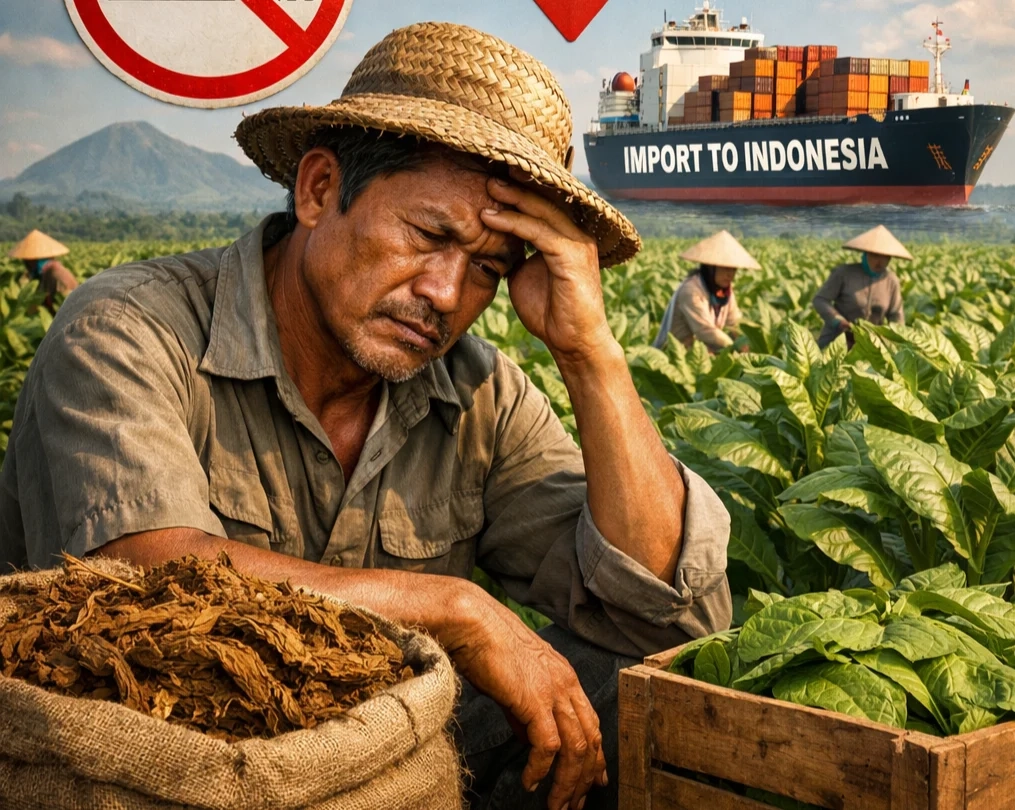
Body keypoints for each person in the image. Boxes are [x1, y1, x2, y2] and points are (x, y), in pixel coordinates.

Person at [0, 22, 732, 810]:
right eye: (427, 235)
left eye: (487, 268)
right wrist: (457, 610)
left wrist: (590, 353)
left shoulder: (479, 391)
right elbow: (145, 579)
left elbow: (662, 612)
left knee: (627, 688)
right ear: (318, 190)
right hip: (167, 768)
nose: (446, 295)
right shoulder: (130, 328)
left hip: (390, 760)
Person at [652, 230, 759, 353]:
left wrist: (746, 344)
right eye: (725, 268)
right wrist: (734, 347)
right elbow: (705, 331)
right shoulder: (691, 291)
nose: (730, 274)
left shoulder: (725, 292)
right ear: (711, 268)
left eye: (733, 269)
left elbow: (734, 323)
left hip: (703, 349)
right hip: (677, 352)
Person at [813, 225, 911, 349]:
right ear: (866, 254)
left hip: (870, 345)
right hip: (836, 339)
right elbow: (820, 300)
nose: (880, 261)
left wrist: (896, 342)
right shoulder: (844, 273)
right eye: (875, 255)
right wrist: (838, 321)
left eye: (885, 257)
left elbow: (896, 316)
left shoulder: (891, 281)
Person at [7, 229, 79, 311]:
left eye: (28, 261)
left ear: (35, 260)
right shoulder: (46, 272)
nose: (26, 266)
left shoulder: (56, 274)